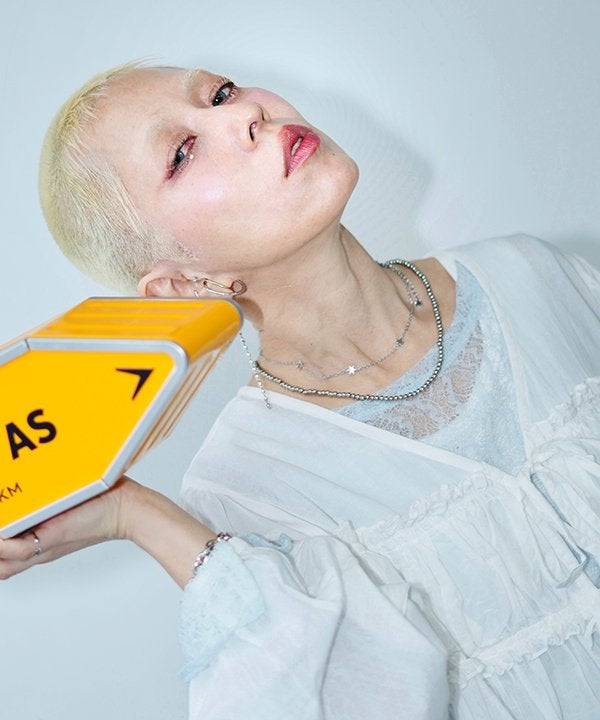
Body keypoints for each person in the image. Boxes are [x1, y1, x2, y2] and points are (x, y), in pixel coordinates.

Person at [1, 61, 599, 720]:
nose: (244, 114)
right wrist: (135, 515)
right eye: (181, 152)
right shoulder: (244, 486)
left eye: (221, 92)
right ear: (180, 285)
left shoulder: (532, 275)